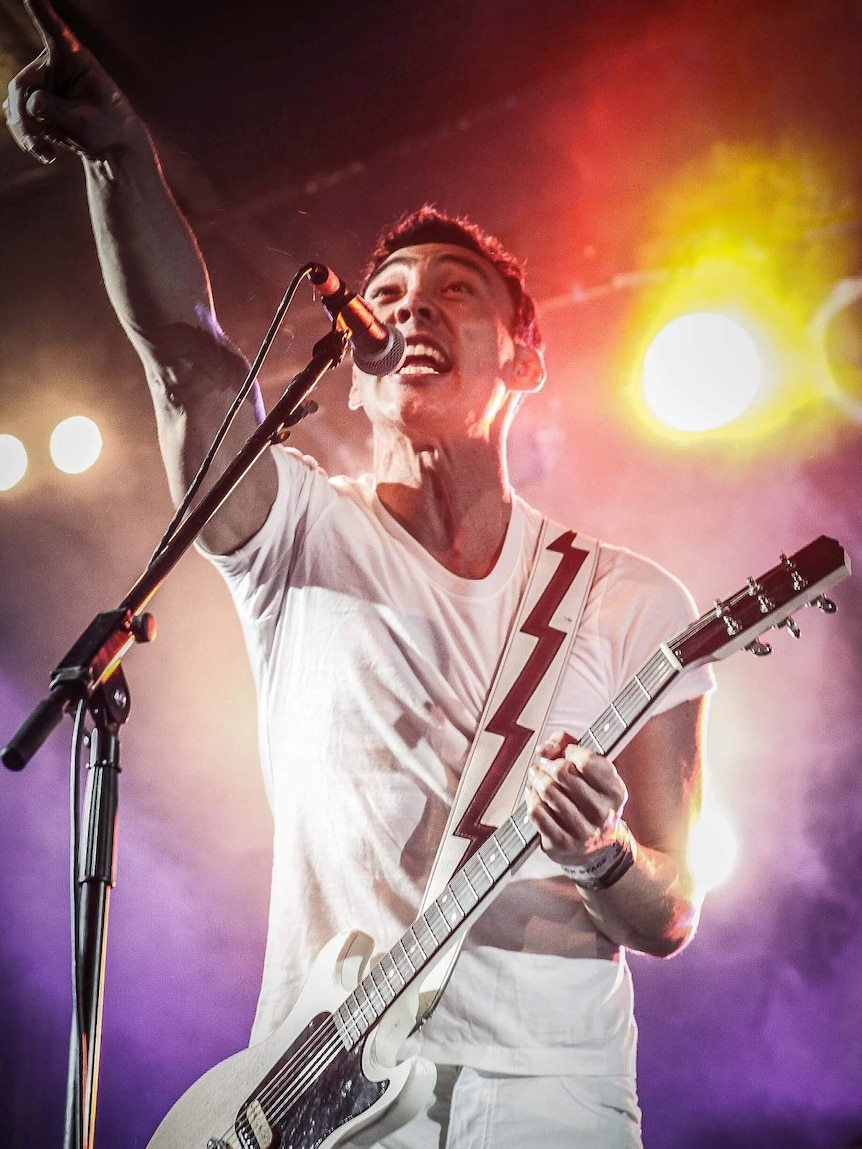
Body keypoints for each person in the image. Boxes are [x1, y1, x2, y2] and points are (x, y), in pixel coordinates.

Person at [5, 5, 714, 1146]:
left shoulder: (633, 599)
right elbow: (185, 355)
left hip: (543, 1105)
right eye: (386, 298)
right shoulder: (297, 533)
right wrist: (119, 153)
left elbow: (671, 909)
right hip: (312, 1097)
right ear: (356, 362)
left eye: (454, 294)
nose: (409, 312)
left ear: (523, 356)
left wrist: (602, 854)